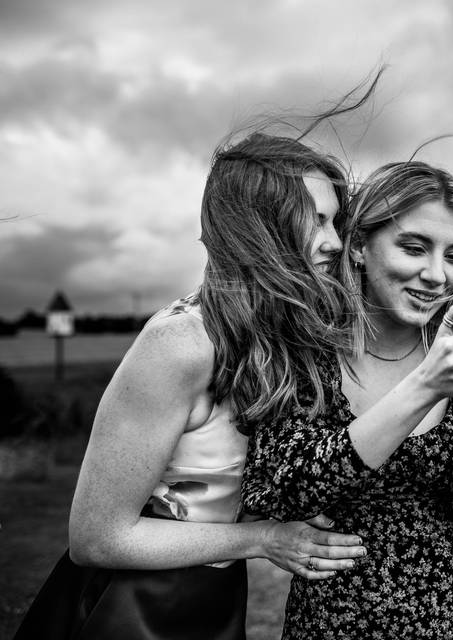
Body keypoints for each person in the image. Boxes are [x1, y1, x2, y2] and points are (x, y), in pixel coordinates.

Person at [13, 119, 370, 640]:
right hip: (133, 609)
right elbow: (96, 538)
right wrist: (264, 538)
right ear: (261, 227)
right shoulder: (180, 343)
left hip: (213, 599)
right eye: (315, 220)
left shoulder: (268, 341)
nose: (335, 242)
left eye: (336, 222)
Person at [241, 161, 453, 639]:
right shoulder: (308, 357)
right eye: (414, 248)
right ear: (361, 246)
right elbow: (284, 491)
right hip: (338, 622)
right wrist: (425, 386)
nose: (436, 275)